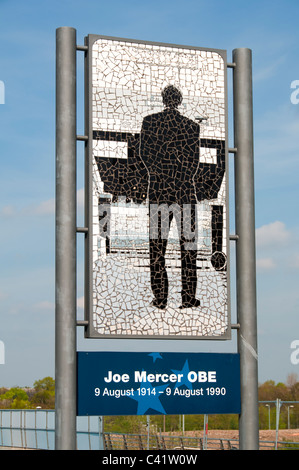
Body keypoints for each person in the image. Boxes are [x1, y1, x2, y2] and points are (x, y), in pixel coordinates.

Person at [140, 85, 201, 309]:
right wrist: (181, 177)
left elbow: (144, 154)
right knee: (189, 247)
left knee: (157, 248)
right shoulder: (191, 127)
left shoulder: (149, 122)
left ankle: (160, 298)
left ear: (164, 99)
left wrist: (158, 173)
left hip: (158, 191)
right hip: (185, 192)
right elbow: (193, 161)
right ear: (180, 100)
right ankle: (188, 297)